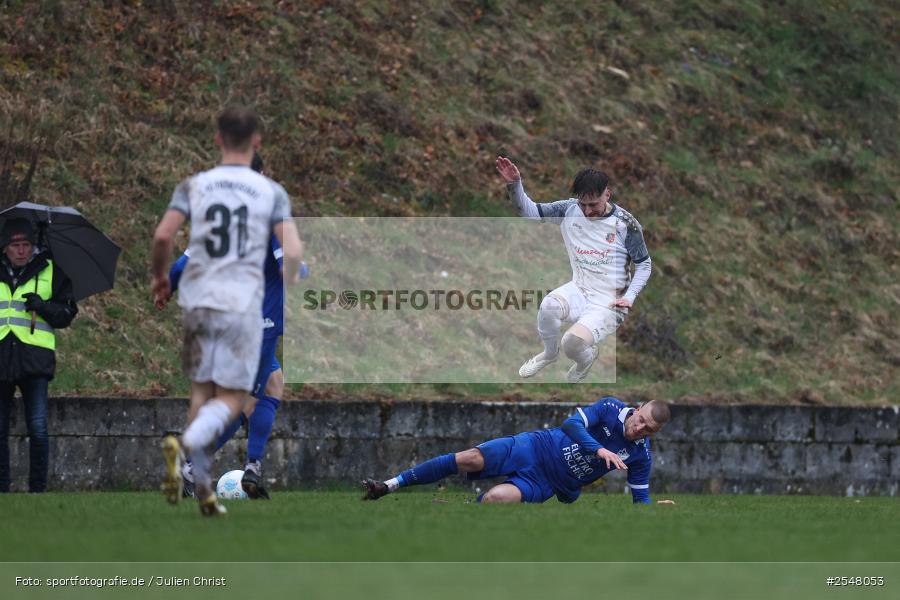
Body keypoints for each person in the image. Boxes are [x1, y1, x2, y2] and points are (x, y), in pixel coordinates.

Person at [151, 106, 302, 516]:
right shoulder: (268, 202)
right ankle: (189, 458)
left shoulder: (202, 191)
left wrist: (164, 282)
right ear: (256, 146)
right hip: (253, 318)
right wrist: (296, 273)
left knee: (270, 383)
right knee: (237, 401)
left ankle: (244, 468)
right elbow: (292, 259)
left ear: (218, 141)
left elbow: (172, 243)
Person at [495, 157, 652, 383]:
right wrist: (515, 185)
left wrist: (630, 297)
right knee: (548, 306)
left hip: (610, 302)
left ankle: (585, 358)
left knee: (572, 343)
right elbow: (531, 213)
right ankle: (549, 354)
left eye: (593, 204)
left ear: (607, 194)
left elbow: (644, 264)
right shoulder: (569, 209)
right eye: (583, 204)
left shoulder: (625, 224)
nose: (587, 211)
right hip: (579, 289)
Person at [363, 397, 672, 504]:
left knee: (497, 499)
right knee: (469, 458)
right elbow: (570, 424)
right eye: (641, 420)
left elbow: (639, 499)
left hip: (545, 483)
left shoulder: (641, 455)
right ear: (639, 407)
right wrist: (599, 450)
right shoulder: (610, 407)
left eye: (648, 430)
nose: (639, 429)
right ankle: (389, 485)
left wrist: (652, 510)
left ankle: (466, 511)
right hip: (535, 446)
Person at [0, 218, 78, 493]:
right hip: (1, 359)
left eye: (26, 245)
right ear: (5, 248)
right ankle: (2, 491)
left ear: (33, 246)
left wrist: (42, 306)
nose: (21, 251)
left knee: (38, 428)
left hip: (35, 359)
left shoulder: (51, 270)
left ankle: (37, 490)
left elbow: (67, 314)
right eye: (15, 245)